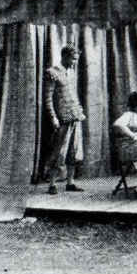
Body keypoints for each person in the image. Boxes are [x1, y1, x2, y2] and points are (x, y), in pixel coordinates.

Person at [44, 45, 87, 195]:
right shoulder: (52, 73)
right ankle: (52, 184)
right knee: (59, 152)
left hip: (75, 117)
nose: (74, 62)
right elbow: (48, 99)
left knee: (74, 152)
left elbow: (73, 96)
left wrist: (79, 110)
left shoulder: (70, 74)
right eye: (73, 59)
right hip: (62, 119)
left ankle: (70, 182)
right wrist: (53, 117)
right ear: (65, 57)